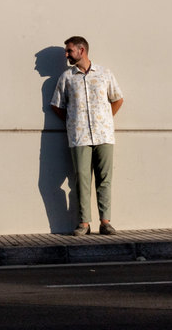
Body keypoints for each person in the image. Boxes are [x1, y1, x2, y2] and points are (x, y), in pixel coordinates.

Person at [49, 36, 124, 236]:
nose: (66, 55)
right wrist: (73, 121)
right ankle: (84, 223)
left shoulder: (104, 73)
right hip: (79, 136)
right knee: (81, 178)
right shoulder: (67, 77)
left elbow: (117, 98)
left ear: (81, 50)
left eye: (69, 51)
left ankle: (105, 222)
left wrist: (105, 119)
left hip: (104, 135)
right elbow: (56, 105)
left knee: (105, 178)